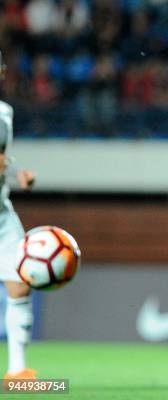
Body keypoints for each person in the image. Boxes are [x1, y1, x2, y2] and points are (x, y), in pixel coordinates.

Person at [0, 50, 37, 381]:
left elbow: (2, 160)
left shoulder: (4, 113)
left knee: (20, 285)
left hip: (1, 217)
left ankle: (17, 371)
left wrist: (17, 174)